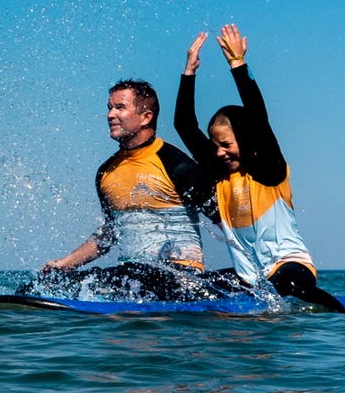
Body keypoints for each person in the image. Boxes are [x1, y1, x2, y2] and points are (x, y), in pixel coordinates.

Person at [175, 25, 345, 313]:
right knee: (189, 288)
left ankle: (344, 317)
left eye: (226, 144)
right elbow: (184, 125)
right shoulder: (221, 173)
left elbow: (258, 117)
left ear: (246, 139)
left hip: (290, 268)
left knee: (288, 288)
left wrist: (238, 65)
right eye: (215, 145)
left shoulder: (269, 170)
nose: (219, 152)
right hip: (250, 278)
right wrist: (189, 72)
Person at [37, 76, 216, 301]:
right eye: (110, 108)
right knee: (45, 286)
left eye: (120, 108)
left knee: (121, 279)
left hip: (179, 277)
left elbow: (225, 222)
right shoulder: (106, 173)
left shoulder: (177, 165)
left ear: (145, 117)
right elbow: (110, 234)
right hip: (131, 277)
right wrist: (64, 264)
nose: (110, 115)